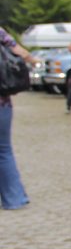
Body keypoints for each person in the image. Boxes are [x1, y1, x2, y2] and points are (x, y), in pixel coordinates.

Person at [0, 25, 39, 210]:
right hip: (2, 104)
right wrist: (33, 60)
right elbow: (20, 52)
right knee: (4, 151)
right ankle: (15, 198)